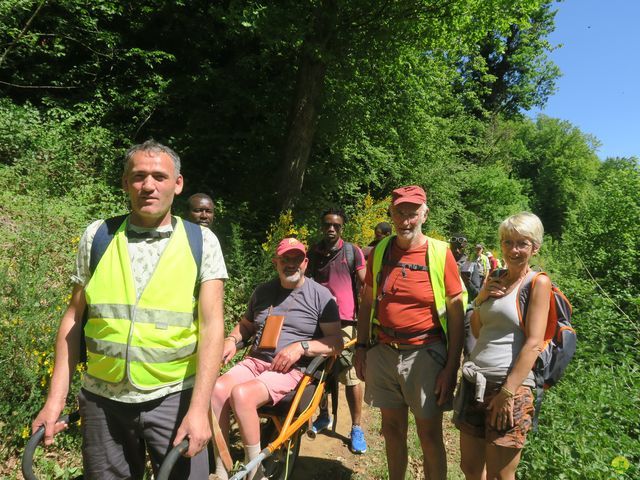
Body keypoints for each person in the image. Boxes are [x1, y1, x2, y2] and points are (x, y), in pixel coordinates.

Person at [32, 140, 228, 479]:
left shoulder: (202, 242)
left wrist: (199, 410)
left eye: (159, 176)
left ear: (177, 184)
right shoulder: (98, 236)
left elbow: (213, 327)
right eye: (138, 176)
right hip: (101, 401)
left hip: (173, 398)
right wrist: (55, 400)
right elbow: (74, 318)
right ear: (125, 183)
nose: (148, 186)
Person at [354, 185, 465, 480]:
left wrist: (451, 366)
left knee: (429, 435)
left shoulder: (440, 253)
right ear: (391, 213)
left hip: (425, 353)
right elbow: (366, 302)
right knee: (391, 430)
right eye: (400, 212)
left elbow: (456, 312)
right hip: (383, 352)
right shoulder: (380, 250)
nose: (406, 220)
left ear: (424, 214)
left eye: (413, 213)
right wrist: (362, 347)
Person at [211, 238, 342, 480]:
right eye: (285, 259)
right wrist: (231, 339)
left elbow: (336, 342)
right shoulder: (263, 292)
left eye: (297, 259)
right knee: (218, 389)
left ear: (306, 262)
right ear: (276, 262)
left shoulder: (321, 296)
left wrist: (301, 347)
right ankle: (222, 465)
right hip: (257, 361)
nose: (291, 264)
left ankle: (254, 470)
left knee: (241, 395)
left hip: (291, 369)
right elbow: (246, 326)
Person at [454, 212, 551, 480]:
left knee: (500, 475)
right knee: (471, 469)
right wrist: (482, 296)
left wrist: (507, 393)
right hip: (476, 382)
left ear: (535, 247)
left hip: (510, 388)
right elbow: (476, 329)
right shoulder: (496, 277)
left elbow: (533, 343)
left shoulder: (537, 283)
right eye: (508, 242)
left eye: (522, 243)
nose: (514, 250)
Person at [306, 208, 368, 454]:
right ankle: (324, 415)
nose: (331, 229)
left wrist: (368, 318)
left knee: (350, 375)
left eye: (336, 225)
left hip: (346, 323)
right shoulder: (314, 252)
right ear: (322, 226)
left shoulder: (352, 252)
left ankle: (356, 427)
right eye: (327, 225)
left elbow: (364, 284)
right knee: (319, 372)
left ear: (342, 228)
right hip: (318, 320)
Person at [450, 234, 481, 356]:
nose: (457, 251)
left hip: (467, 311)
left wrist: (467, 282)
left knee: (470, 350)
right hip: (447, 312)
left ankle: (468, 372)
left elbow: (478, 293)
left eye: (460, 248)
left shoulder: (471, 266)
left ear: (464, 248)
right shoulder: (443, 263)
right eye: (454, 248)